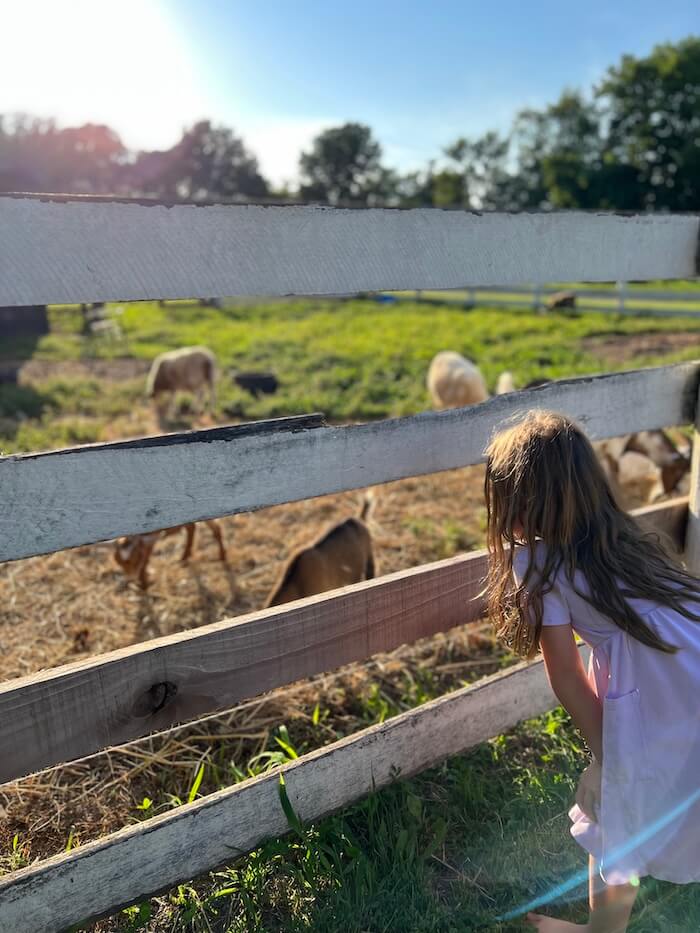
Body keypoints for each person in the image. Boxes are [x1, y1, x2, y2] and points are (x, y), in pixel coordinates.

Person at [484, 410, 700, 932]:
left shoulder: (540, 565)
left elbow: (565, 674)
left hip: (666, 689)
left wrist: (606, 759)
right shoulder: (621, 538)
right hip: (690, 661)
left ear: (521, 503)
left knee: (612, 806)